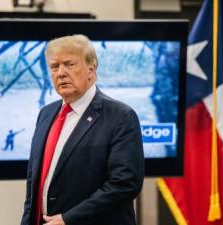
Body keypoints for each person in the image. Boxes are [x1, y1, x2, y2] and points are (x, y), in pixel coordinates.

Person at [20, 34, 144, 225]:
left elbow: (125, 184)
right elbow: (33, 183)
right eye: (54, 67)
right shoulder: (46, 113)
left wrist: (68, 219)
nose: (61, 73)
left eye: (69, 64)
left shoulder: (120, 116)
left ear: (91, 71)